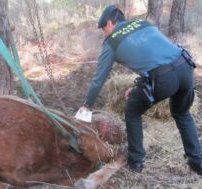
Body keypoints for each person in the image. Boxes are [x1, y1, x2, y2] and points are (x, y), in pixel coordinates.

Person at [79, 4, 202, 175]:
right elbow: (156, 55)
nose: (103, 33)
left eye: (103, 29)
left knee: (132, 111)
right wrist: (138, 86)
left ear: (109, 23)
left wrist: (87, 105)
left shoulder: (112, 41)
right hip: (185, 67)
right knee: (182, 114)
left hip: (164, 79)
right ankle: (197, 162)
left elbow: (99, 79)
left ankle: (136, 161)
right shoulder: (143, 24)